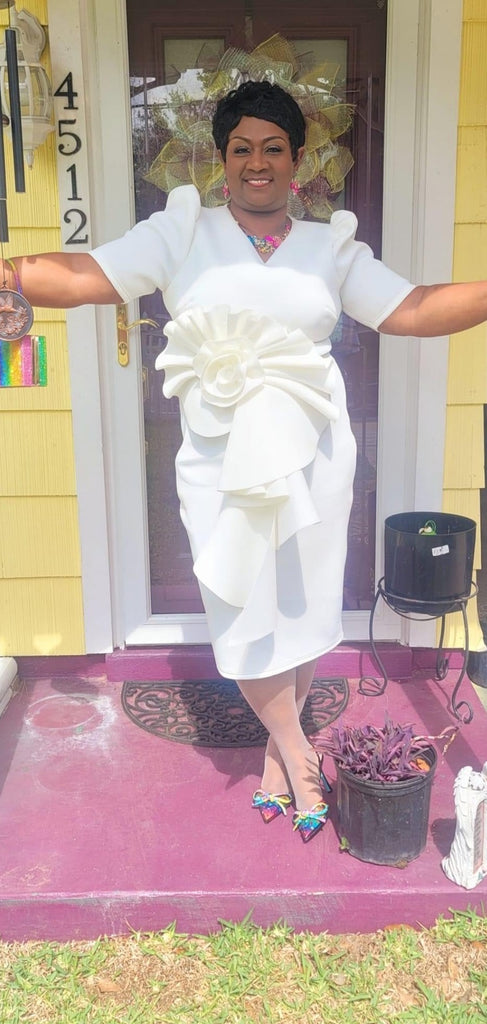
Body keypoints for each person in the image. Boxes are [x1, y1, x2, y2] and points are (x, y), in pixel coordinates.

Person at [5, 80, 487, 842]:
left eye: (272, 148)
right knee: (239, 603)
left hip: (313, 457)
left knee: (300, 604)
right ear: (221, 160)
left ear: (297, 161)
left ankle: (273, 760)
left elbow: (415, 308)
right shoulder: (180, 235)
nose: (256, 163)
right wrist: (11, 273)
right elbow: (85, 275)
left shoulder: (330, 248)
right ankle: (299, 753)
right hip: (219, 463)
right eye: (240, 149)